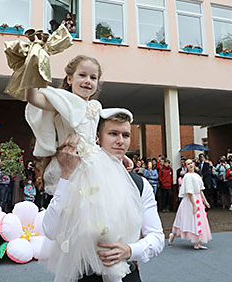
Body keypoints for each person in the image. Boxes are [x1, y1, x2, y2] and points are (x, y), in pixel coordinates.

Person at [13, 52, 143, 282]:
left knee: (105, 217)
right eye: (82, 75)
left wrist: (117, 157)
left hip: (95, 163)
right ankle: (83, 266)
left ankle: (111, 266)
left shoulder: (96, 106)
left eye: (93, 78)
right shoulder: (60, 101)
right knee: (76, 223)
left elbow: (101, 139)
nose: (88, 81)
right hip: (73, 164)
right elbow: (32, 98)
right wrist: (32, 66)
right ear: (69, 78)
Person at [43, 111, 165, 282]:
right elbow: (50, 229)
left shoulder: (140, 184)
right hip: (82, 276)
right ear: (98, 137)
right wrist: (66, 175)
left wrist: (130, 250)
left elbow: (157, 237)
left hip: (125, 275)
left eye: (126, 135)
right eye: (113, 134)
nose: (120, 141)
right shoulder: (79, 176)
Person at [168, 159, 212, 249]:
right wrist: (194, 205)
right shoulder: (187, 176)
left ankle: (196, 243)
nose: (190, 165)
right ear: (186, 166)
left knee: (197, 220)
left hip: (198, 199)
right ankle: (173, 234)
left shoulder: (196, 175)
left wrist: (205, 201)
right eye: (188, 164)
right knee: (187, 219)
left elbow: (200, 190)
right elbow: (189, 192)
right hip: (190, 201)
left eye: (191, 163)